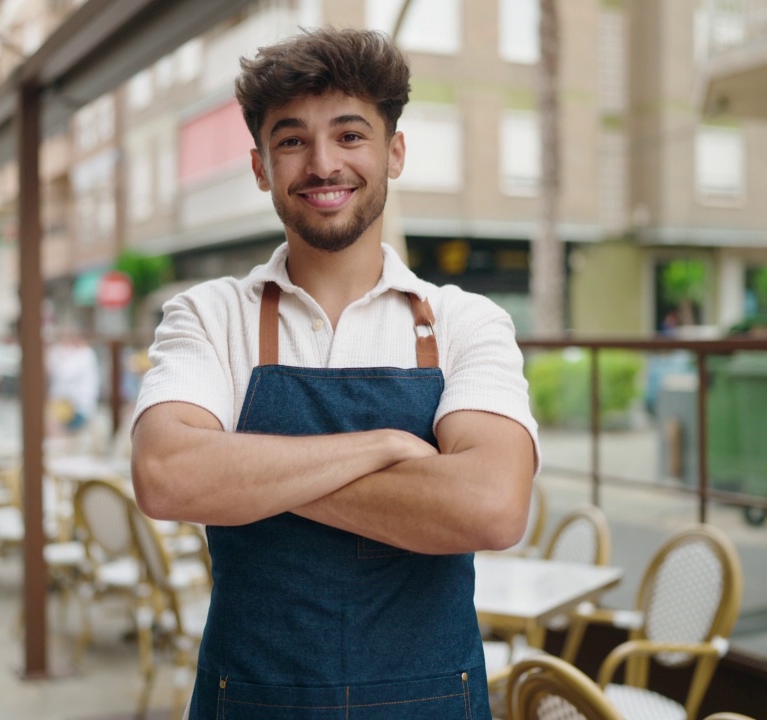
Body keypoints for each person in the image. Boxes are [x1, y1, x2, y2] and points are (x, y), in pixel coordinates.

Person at [130, 29, 538, 719]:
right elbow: (168, 476)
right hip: (253, 701)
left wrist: (245, 474)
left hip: (432, 702)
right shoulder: (208, 315)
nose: (323, 164)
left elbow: (492, 506)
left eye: (350, 136)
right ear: (260, 166)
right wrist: (385, 448)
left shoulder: (466, 321)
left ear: (393, 153)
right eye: (291, 141)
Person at [46, 331, 100, 435]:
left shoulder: (85, 355)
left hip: (78, 409)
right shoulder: (78, 355)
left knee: (51, 421)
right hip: (69, 406)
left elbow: (64, 373)